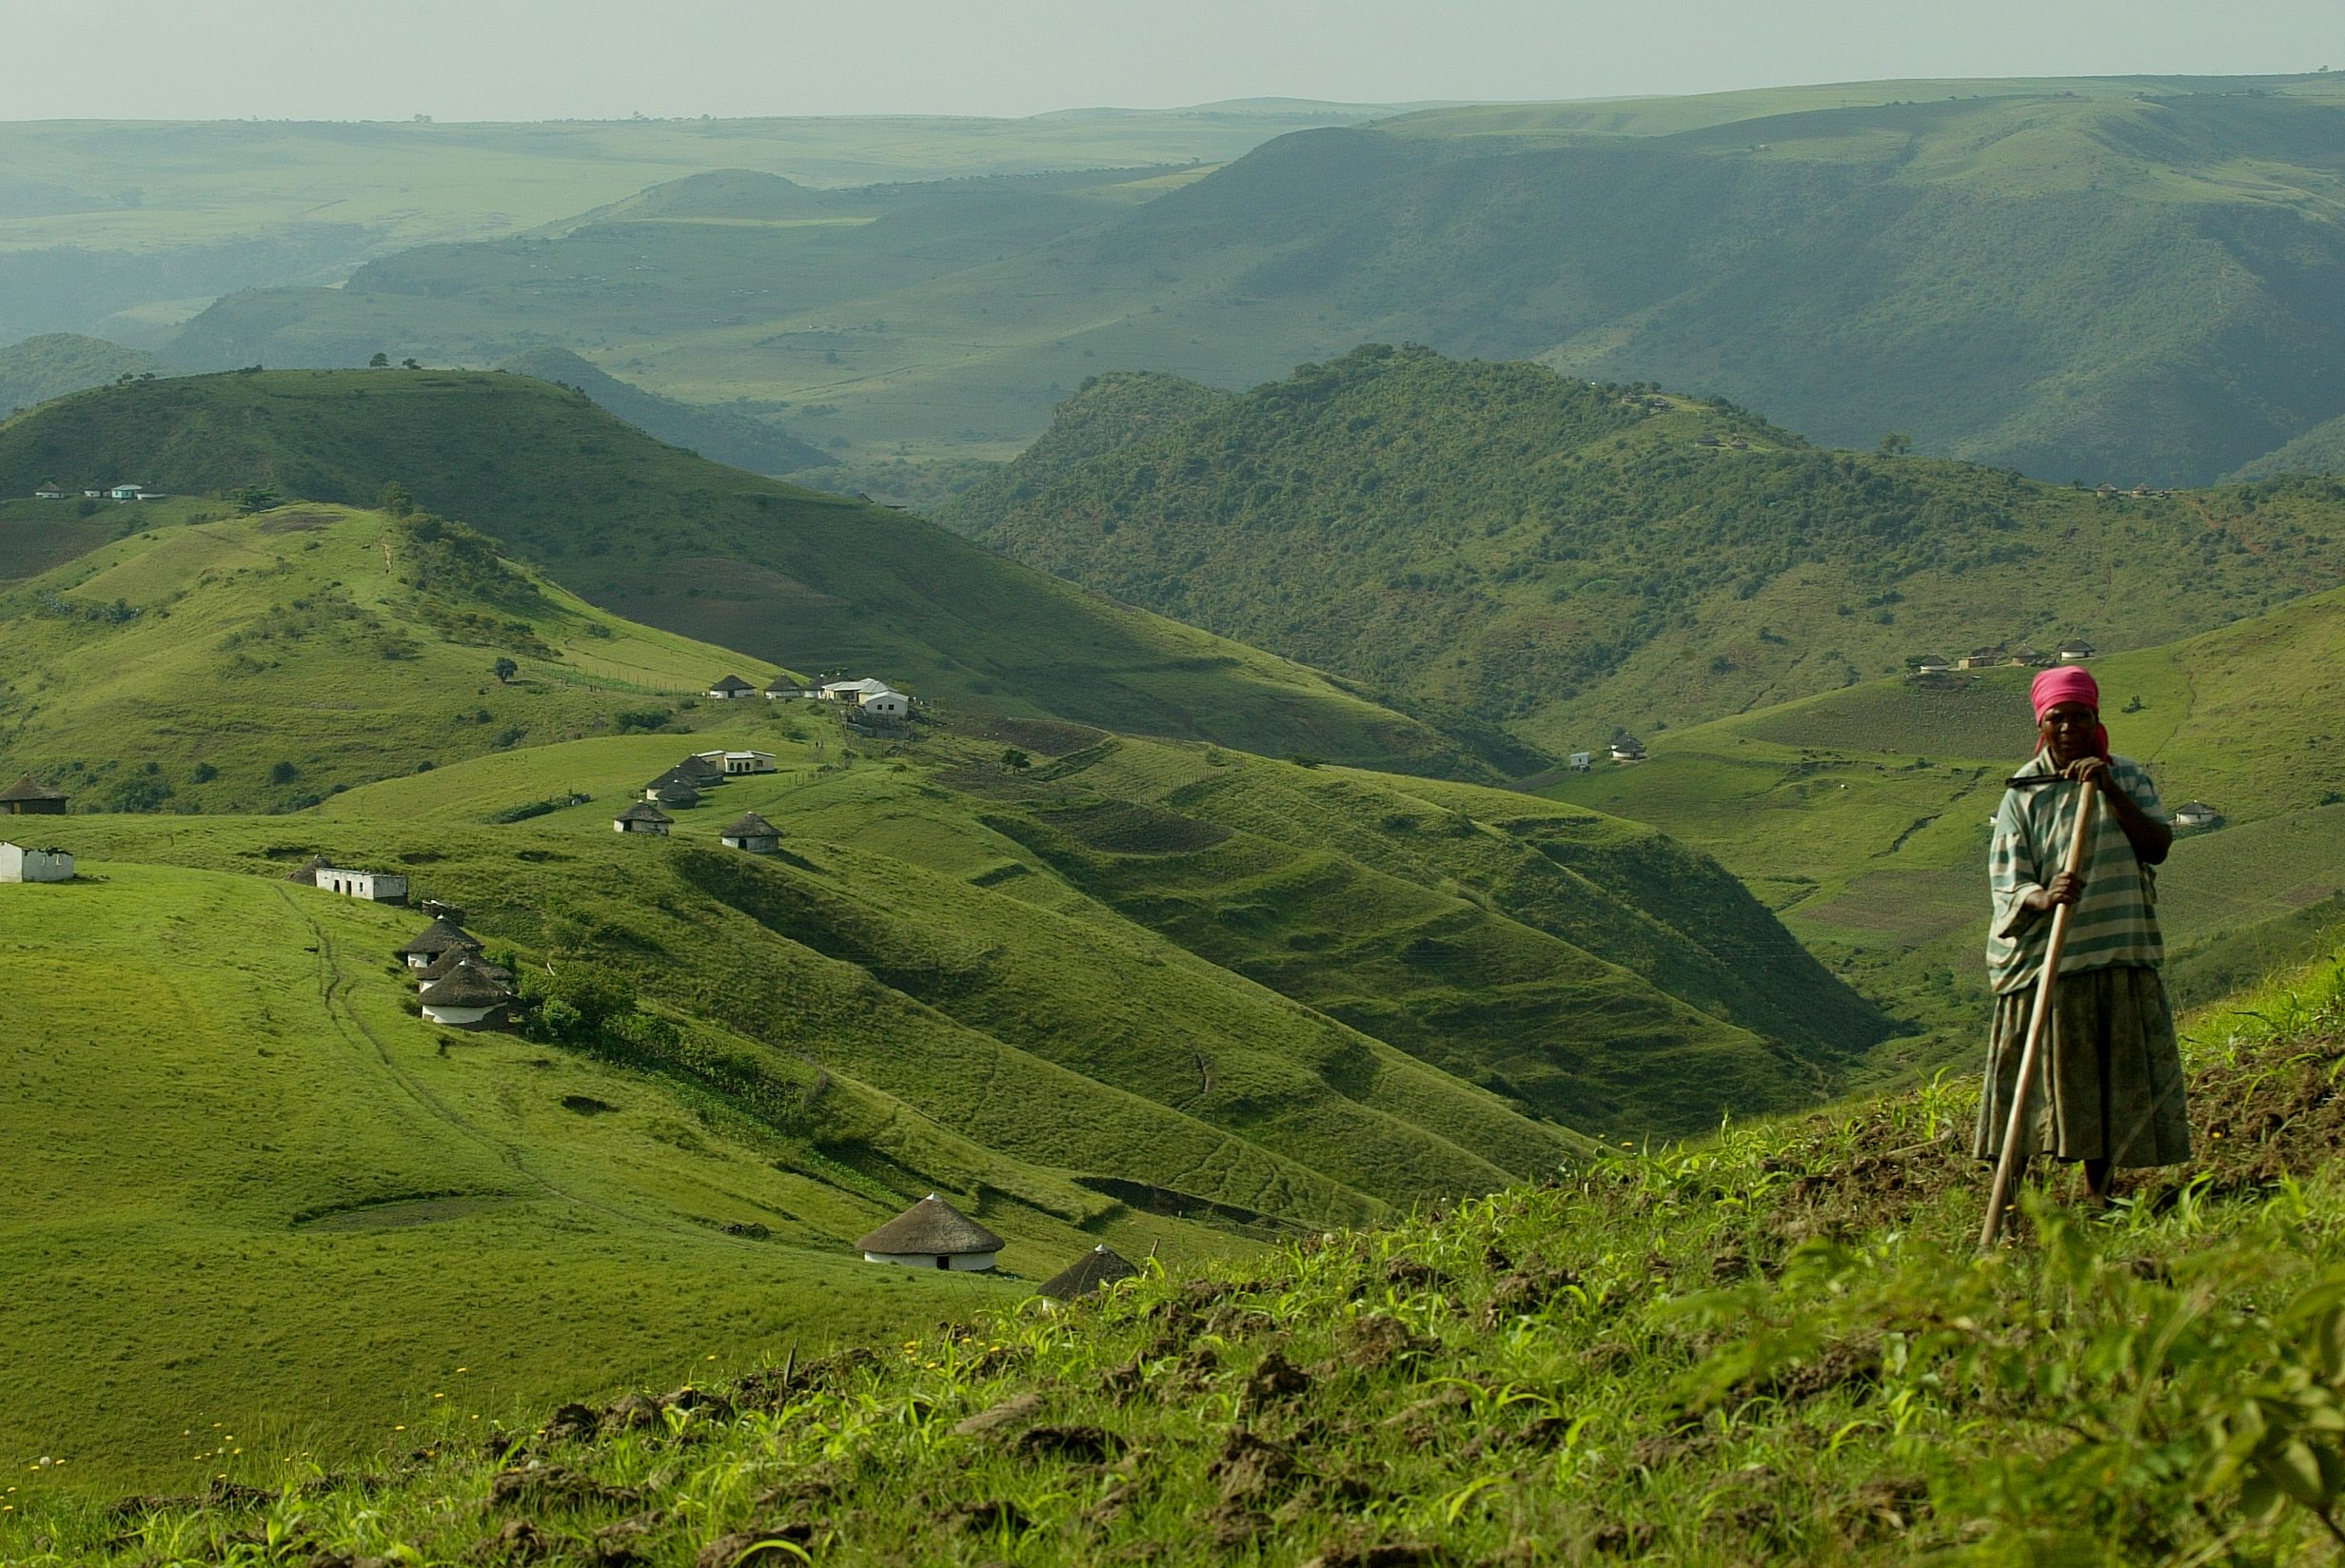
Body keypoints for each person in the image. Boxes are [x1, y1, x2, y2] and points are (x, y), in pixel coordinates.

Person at [1974, 665, 2191, 1205]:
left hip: (2117, 949)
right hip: (2046, 961)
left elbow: (2156, 845)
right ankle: (2011, 1200)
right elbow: (2008, 879)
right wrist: (2046, 896)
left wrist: (2109, 788)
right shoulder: (2023, 793)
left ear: (2097, 721)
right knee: (2027, 1090)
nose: (2070, 729)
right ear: (2042, 725)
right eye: (2058, 719)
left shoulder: (2130, 777)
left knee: (2110, 1080)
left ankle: (2101, 1197)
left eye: (2081, 718)